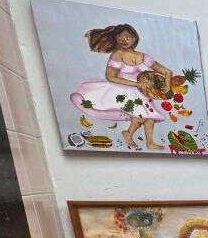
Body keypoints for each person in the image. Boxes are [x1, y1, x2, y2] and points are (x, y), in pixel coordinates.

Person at [71, 23, 174, 151]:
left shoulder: (143, 56)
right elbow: (111, 77)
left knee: (149, 117)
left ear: (134, 38)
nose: (124, 40)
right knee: (141, 115)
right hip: (124, 90)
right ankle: (129, 134)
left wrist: (167, 89)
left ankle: (148, 142)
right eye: (120, 38)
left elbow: (167, 72)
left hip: (143, 93)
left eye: (127, 37)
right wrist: (137, 84)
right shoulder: (118, 55)